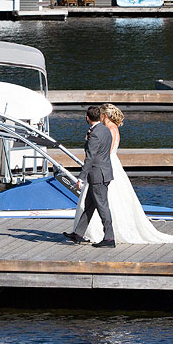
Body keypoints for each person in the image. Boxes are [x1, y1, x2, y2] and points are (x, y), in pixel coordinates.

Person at [73, 103, 173, 245]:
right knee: (92, 202)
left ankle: (108, 237)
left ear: (105, 116)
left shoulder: (106, 130)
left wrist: (88, 147)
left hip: (102, 167)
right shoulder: (108, 129)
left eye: (102, 115)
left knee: (103, 204)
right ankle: (78, 234)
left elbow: (102, 152)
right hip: (109, 166)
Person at [64, 105, 115, 247]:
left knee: (102, 207)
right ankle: (78, 234)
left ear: (87, 118)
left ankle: (109, 238)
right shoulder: (105, 130)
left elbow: (90, 157)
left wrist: (81, 177)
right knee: (89, 205)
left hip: (97, 174)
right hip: (104, 172)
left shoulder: (94, 134)